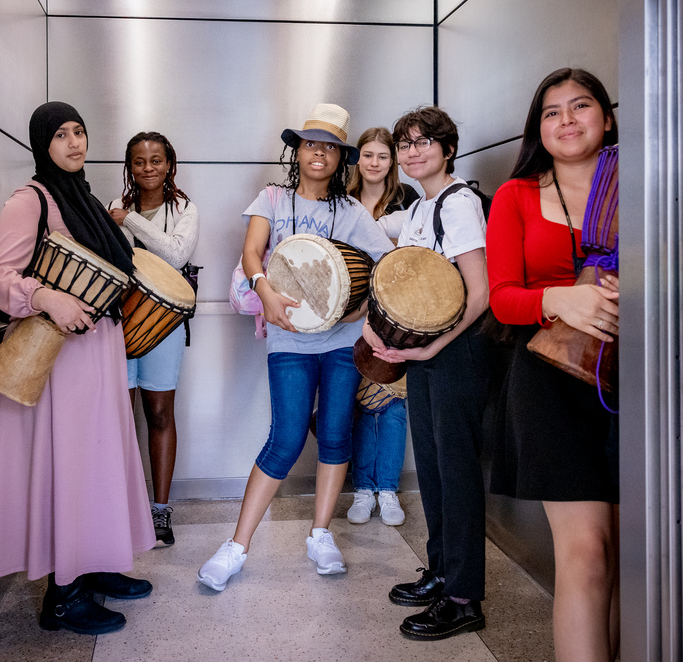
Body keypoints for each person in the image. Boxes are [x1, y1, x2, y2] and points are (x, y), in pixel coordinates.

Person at [197, 104, 393, 591]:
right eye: (311, 143)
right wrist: (263, 288)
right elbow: (250, 252)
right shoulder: (272, 199)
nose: (319, 152)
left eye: (329, 146)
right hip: (288, 338)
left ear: (340, 156)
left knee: (333, 434)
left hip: (343, 342)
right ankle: (236, 546)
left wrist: (359, 308)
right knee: (285, 437)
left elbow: (387, 265)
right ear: (298, 151)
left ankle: (320, 534)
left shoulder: (350, 211)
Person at [0, 102, 156, 635]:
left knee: (96, 462)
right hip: (60, 359)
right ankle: (63, 595)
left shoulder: (83, 198)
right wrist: (45, 297)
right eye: (61, 135)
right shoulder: (29, 199)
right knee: (71, 467)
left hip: (95, 351)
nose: (75, 143)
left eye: (80, 132)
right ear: (42, 143)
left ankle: (95, 564)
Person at [485, 68, 621, 661]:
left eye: (580, 106)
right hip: (550, 380)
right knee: (586, 553)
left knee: (627, 555)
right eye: (552, 111)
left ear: (607, 117)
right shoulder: (517, 195)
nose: (566, 120)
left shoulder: (647, 182)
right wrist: (558, 298)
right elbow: (501, 296)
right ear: (538, 127)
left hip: (640, 382)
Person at [364, 106, 490, 640]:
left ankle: (464, 599)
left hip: (456, 353)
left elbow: (479, 294)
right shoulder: (421, 206)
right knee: (435, 471)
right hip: (426, 353)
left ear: (448, 148)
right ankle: (441, 573)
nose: (414, 151)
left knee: (457, 473)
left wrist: (432, 347)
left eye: (424, 142)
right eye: (405, 144)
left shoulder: (459, 204)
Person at [108, 131, 200, 547]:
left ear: (170, 165)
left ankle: (160, 512)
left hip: (163, 327)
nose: (148, 168)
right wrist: (120, 217)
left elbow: (176, 256)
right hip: (117, 325)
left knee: (160, 414)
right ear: (129, 166)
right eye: (139, 161)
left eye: (156, 160)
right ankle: (120, 508)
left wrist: (127, 221)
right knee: (120, 420)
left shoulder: (184, 209)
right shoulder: (114, 205)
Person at [344, 126, 418, 526]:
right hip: (350, 318)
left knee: (392, 406)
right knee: (355, 404)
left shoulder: (407, 201)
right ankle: (361, 490)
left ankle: (388, 490)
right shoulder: (342, 201)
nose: (374, 163)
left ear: (393, 162)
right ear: (357, 159)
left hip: (395, 318)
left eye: (383, 156)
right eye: (367, 155)